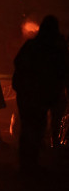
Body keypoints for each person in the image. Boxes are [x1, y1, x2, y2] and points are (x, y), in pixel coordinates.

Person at [13, 15, 69, 171]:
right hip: (42, 94)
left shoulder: (32, 45)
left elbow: (18, 63)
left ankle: (26, 161)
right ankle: (32, 161)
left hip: (27, 93)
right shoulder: (55, 49)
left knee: (29, 127)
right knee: (37, 126)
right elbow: (62, 70)